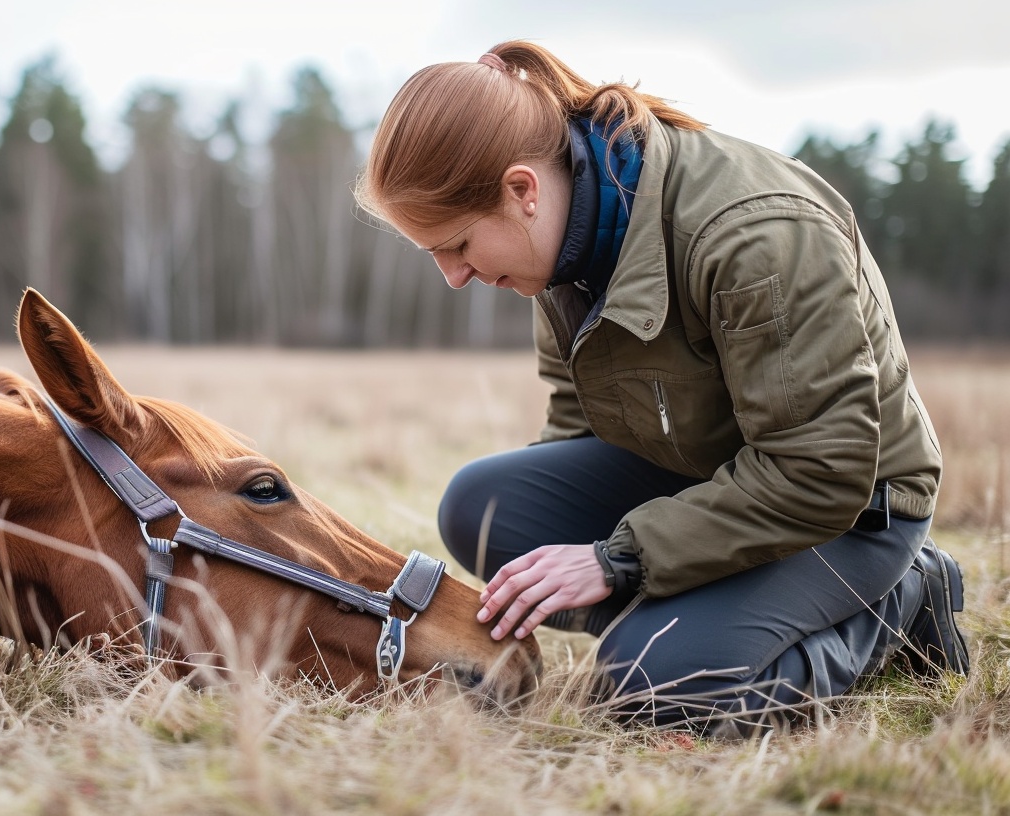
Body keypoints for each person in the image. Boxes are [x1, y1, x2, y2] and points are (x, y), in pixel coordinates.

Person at [354, 40, 968, 734]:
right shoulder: (561, 250)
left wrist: (616, 560)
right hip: (708, 479)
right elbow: (578, 426)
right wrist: (556, 569)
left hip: (849, 509)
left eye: (458, 245)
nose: (453, 277)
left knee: (651, 684)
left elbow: (821, 471)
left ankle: (903, 599)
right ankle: (697, 623)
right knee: (481, 508)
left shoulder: (756, 234)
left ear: (522, 191)